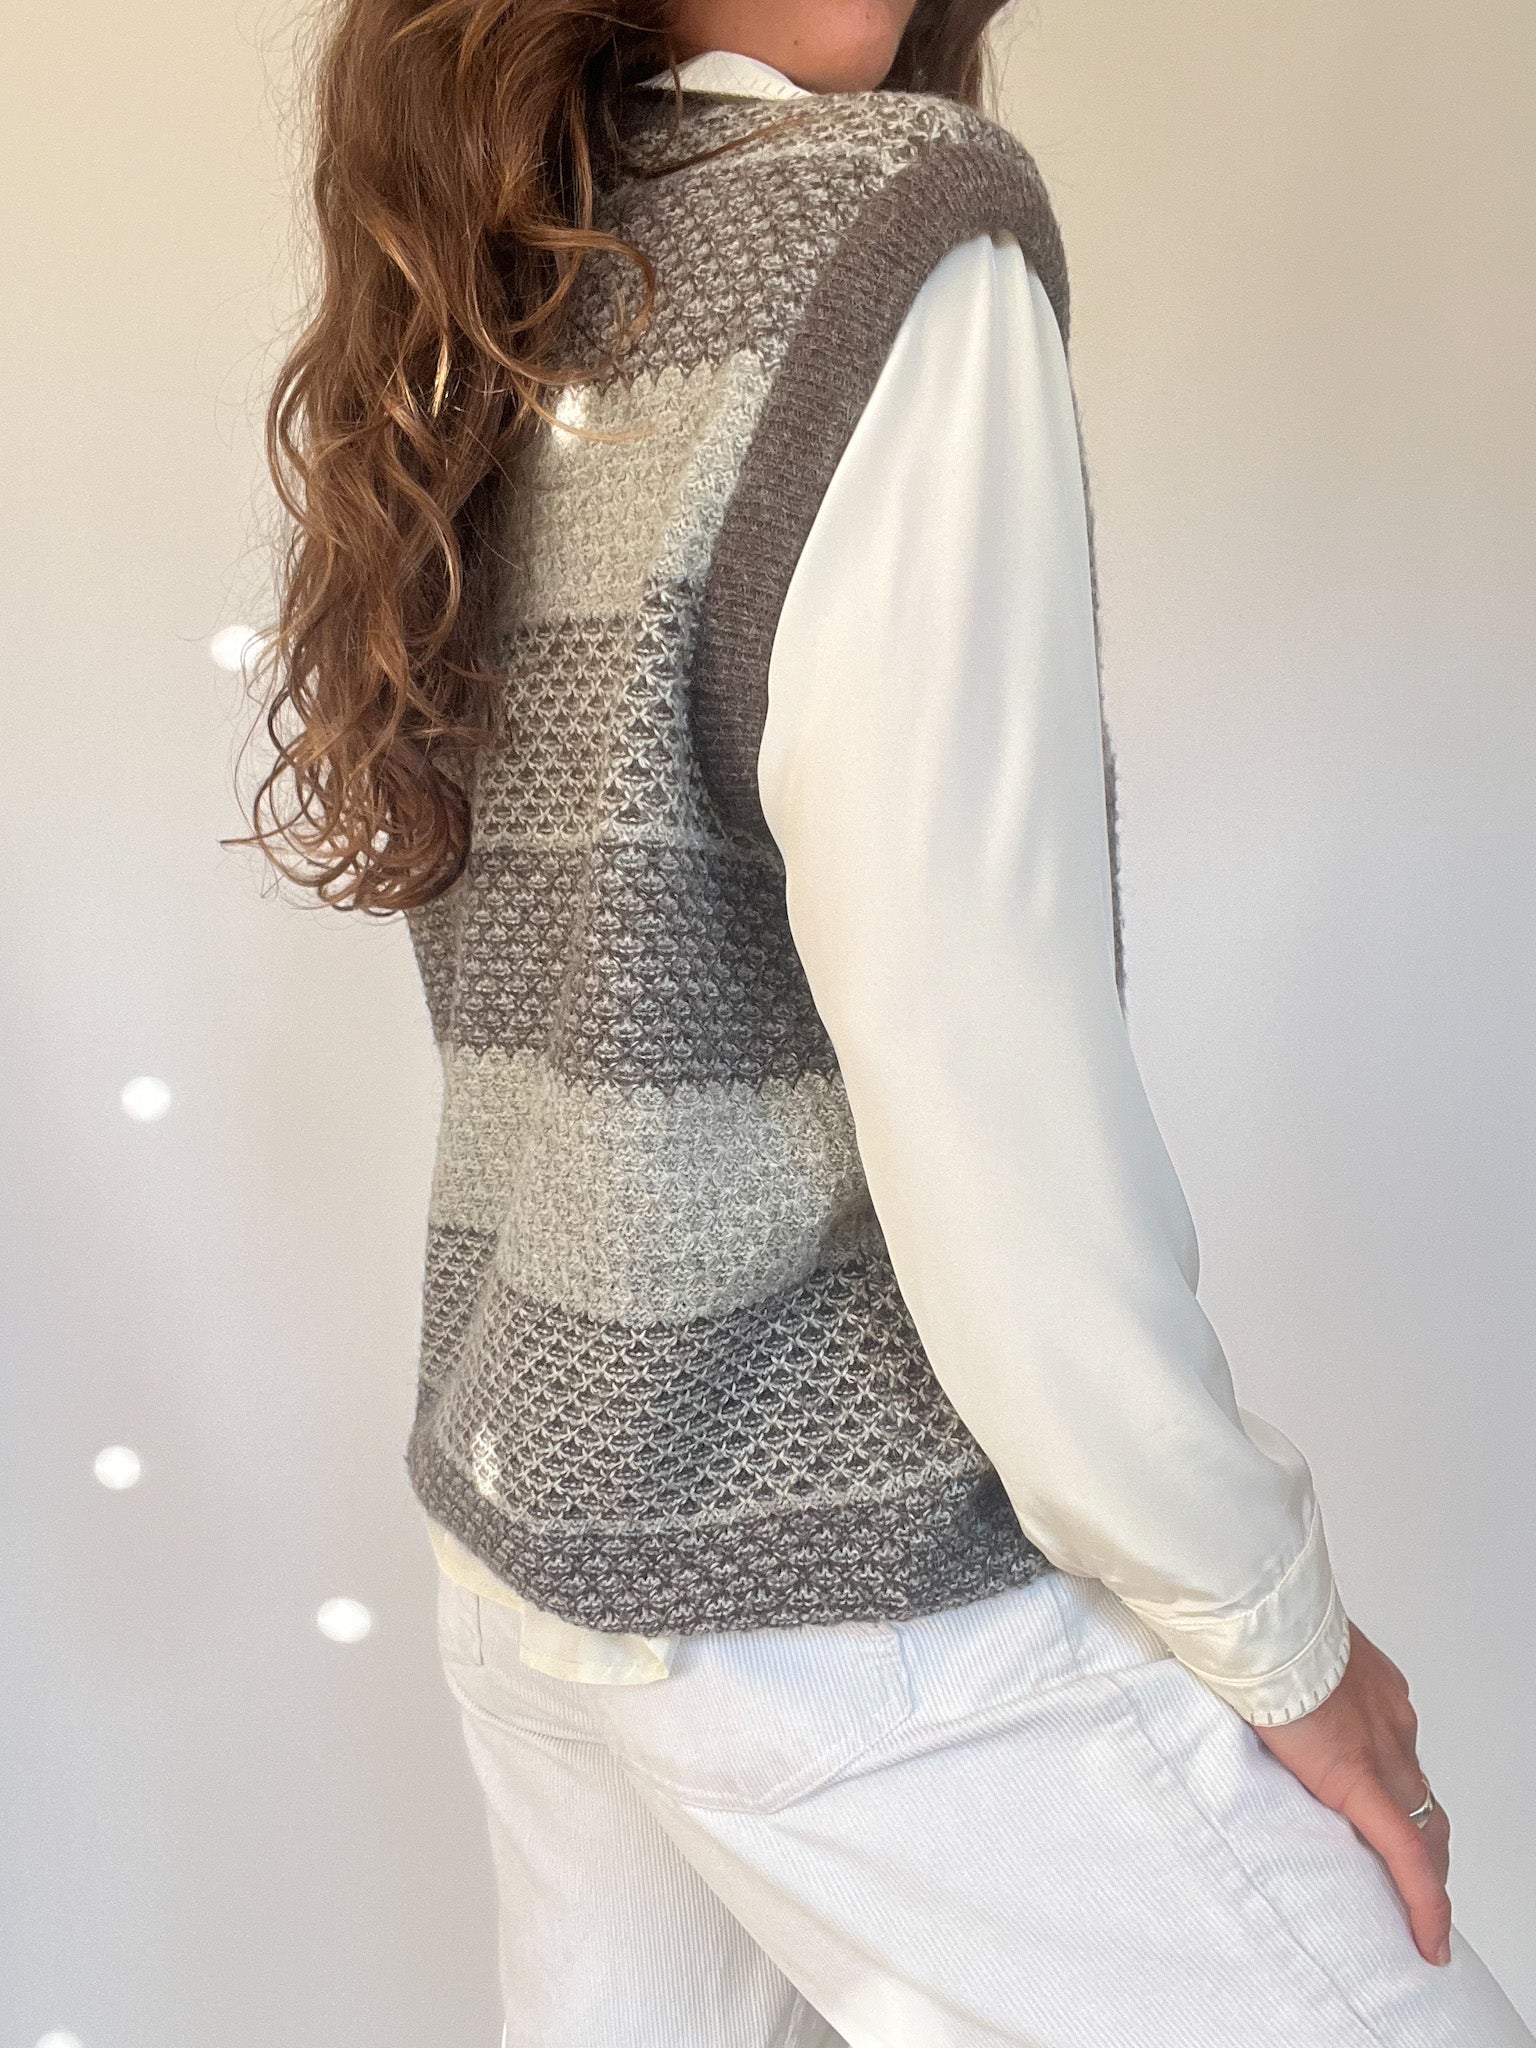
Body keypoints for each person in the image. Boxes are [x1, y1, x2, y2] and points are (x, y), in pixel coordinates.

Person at [239, 1, 1534, 2040]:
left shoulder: (501, 264)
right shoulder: (883, 224)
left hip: (536, 1541)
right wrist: (1273, 1626)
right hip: (850, 1596)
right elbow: (970, 1060)